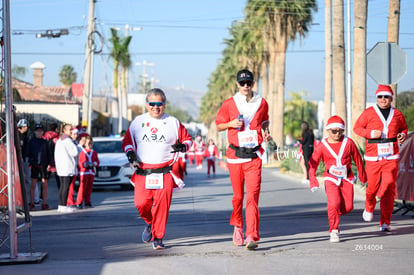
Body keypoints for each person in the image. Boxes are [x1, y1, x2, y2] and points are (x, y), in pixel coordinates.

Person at [122, 88, 192, 250]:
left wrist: (183, 146)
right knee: (141, 204)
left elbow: (188, 139)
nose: (155, 107)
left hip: (164, 172)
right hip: (143, 172)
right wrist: (130, 153)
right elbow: (127, 142)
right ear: (147, 105)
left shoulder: (173, 122)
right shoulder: (138, 122)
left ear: (164, 105)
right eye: (152, 104)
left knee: (162, 207)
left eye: (159, 104)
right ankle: (149, 222)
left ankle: (158, 237)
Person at [215, 69, 271, 250]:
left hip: (254, 156)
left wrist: (266, 131)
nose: (246, 86)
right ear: (237, 84)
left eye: (249, 83)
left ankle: (251, 236)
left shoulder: (262, 103)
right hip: (235, 156)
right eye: (242, 83)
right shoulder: (229, 104)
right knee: (238, 197)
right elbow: (218, 125)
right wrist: (231, 124)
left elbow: (264, 121)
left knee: (253, 197)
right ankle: (238, 226)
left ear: (253, 83)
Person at [354, 84, 408, 232]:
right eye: (380, 96)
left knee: (388, 188)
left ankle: (385, 222)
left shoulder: (397, 114)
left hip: (391, 156)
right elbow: (357, 128)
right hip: (373, 157)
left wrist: (402, 135)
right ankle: (369, 206)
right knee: (372, 187)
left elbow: (403, 128)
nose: (383, 99)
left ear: (391, 98)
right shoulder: (369, 113)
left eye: (386, 96)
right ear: (376, 98)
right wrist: (371, 134)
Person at [309, 116, 367, 242]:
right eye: (334, 131)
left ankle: (334, 211)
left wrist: (363, 176)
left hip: (347, 178)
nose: (337, 134)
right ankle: (334, 230)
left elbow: (358, 159)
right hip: (331, 178)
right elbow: (312, 163)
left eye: (340, 131)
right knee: (333, 203)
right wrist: (313, 181)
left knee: (348, 207)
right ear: (328, 131)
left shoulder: (348, 142)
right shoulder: (322, 145)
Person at [27, 124, 52, 211]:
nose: (39, 132)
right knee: (33, 184)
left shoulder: (45, 142)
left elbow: (49, 154)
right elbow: (28, 153)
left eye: (41, 131)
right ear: (35, 132)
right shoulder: (31, 142)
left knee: (44, 184)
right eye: (38, 131)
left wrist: (49, 164)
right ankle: (32, 203)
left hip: (43, 165)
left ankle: (44, 203)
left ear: (43, 132)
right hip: (34, 165)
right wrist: (29, 162)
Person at [55, 123, 79, 213]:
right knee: (65, 187)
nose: (71, 131)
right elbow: (74, 152)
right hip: (67, 167)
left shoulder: (59, 140)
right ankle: (63, 206)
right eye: (70, 130)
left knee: (62, 187)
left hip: (61, 167)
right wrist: (77, 147)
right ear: (64, 130)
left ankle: (61, 205)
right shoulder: (67, 141)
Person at [77, 136, 99, 208]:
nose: (90, 145)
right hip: (84, 172)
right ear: (85, 144)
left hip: (91, 172)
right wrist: (84, 164)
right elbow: (80, 162)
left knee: (89, 188)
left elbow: (97, 161)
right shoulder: (83, 152)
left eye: (91, 144)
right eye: (88, 143)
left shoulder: (94, 152)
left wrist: (95, 163)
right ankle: (79, 202)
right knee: (82, 188)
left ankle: (87, 201)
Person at [43, 123, 60, 189]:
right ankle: (62, 197)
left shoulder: (44, 137)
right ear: (56, 129)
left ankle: (42, 196)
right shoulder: (58, 138)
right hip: (56, 161)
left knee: (45, 179)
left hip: (46, 160)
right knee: (59, 181)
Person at [17, 119, 31, 189]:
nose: (26, 128)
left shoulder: (25, 136)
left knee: (28, 178)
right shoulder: (16, 136)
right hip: (18, 159)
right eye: (25, 126)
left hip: (24, 158)